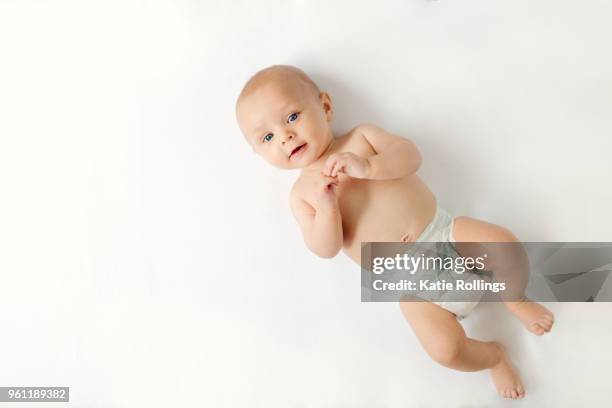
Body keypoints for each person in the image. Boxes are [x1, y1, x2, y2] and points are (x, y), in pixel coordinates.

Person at [235, 65, 555, 400]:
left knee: (502, 242)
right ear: (259, 154)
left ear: (325, 107)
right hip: (412, 285)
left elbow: (410, 155)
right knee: (444, 350)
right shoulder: (302, 195)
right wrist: (327, 206)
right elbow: (324, 248)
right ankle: (494, 357)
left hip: (445, 234)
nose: (285, 136)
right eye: (267, 137)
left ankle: (515, 300)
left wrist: (369, 167)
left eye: (292, 117)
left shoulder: (361, 139)